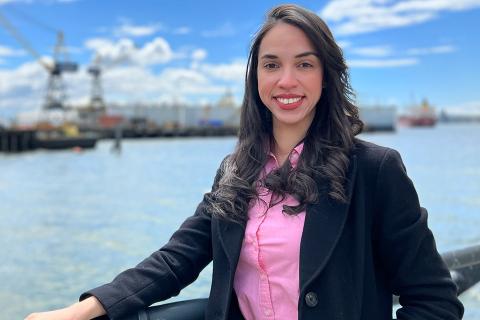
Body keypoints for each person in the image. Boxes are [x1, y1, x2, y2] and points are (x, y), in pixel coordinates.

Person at [25, 4, 464, 320]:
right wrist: (85, 309)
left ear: (327, 76)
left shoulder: (374, 170)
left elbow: (435, 302)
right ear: (256, 77)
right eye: (271, 64)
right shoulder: (236, 170)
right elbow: (178, 258)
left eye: (304, 64)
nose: (286, 80)